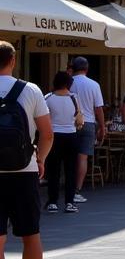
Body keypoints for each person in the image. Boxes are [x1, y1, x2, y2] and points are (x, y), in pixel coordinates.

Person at [0, 42, 53, 259]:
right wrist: (41, 159)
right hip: (24, 172)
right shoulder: (30, 90)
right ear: (13, 60)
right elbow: (47, 134)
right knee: (30, 235)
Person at [43, 72, 80, 214]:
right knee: (71, 170)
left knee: (53, 170)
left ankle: (53, 201)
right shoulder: (74, 98)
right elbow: (78, 117)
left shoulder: (48, 98)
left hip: (55, 136)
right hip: (71, 136)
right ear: (69, 83)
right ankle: (69, 202)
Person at [70, 56, 105, 205]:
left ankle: (68, 189)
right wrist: (102, 126)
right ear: (87, 68)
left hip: (70, 123)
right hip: (89, 122)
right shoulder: (94, 85)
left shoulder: (68, 82)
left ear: (73, 68)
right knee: (82, 158)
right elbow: (98, 108)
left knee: (69, 157)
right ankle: (77, 190)